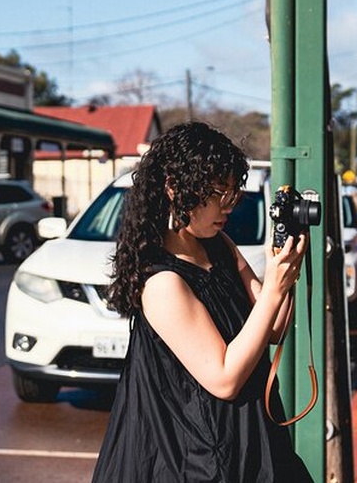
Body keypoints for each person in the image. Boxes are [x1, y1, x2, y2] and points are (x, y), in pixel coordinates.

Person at [93, 122, 312, 482]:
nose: (228, 205)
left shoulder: (218, 245)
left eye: (233, 193)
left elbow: (272, 327)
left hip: (248, 438)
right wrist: (273, 289)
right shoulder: (163, 283)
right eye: (217, 192)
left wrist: (286, 272)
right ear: (175, 188)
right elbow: (224, 377)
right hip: (196, 456)